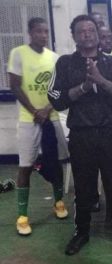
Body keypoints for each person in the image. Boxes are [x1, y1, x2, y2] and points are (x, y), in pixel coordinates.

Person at [47, 15, 112, 255]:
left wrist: (100, 81)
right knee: (83, 189)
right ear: (74, 36)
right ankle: (81, 233)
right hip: (81, 135)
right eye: (81, 31)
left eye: (91, 30)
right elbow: (57, 100)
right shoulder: (65, 63)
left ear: (99, 33)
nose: (87, 34)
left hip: (111, 133)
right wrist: (83, 87)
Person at [8, 17, 68, 236]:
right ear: (30, 33)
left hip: (51, 118)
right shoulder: (18, 53)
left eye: (46, 31)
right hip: (28, 120)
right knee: (25, 166)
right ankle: (22, 215)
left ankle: (59, 202)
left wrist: (46, 109)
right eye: (39, 31)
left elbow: (59, 89)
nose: (43, 35)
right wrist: (34, 111)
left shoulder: (54, 58)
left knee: (56, 163)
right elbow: (14, 85)